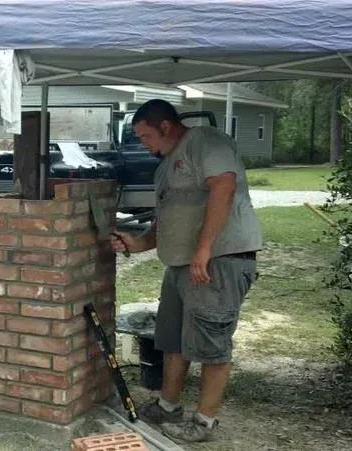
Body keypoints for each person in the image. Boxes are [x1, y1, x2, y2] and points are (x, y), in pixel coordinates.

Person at [111, 99, 262, 443]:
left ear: (165, 126)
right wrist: (136, 243)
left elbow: (223, 188)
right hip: (182, 265)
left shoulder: (205, 141)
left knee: (212, 343)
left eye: (145, 136)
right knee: (173, 340)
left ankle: (204, 422)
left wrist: (204, 249)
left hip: (219, 260)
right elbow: (165, 221)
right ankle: (167, 405)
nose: (143, 144)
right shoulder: (165, 166)